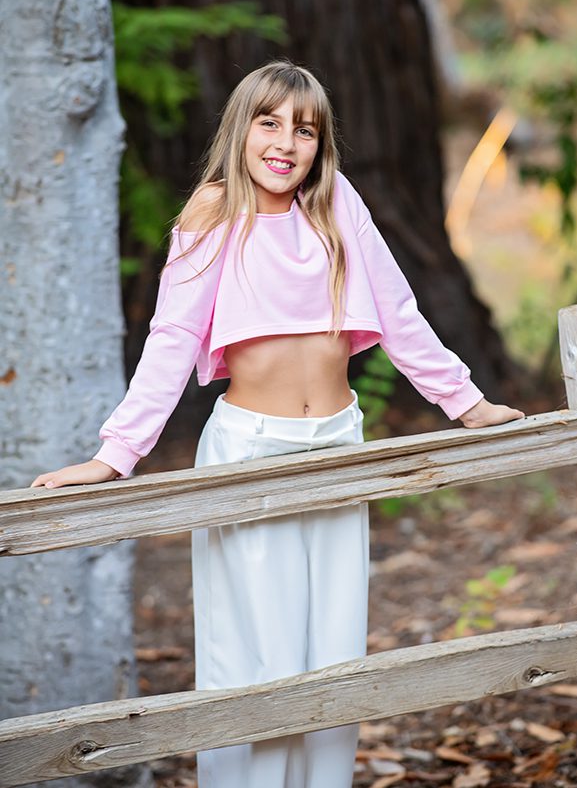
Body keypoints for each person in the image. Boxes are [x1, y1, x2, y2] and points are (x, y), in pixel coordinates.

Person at [31, 60, 524, 788]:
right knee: (254, 658)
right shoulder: (213, 210)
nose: (286, 142)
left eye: (305, 129)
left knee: (330, 655)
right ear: (241, 128)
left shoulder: (333, 207)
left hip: (336, 449)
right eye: (269, 122)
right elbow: (170, 341)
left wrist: (466, 403)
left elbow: (396, 310)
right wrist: (114, 455)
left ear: (319, 145)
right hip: (249, 453)